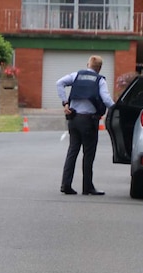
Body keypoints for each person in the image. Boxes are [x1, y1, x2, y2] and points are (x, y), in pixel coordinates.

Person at [56, 55, 116, 196]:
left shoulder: (76, 75)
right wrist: (116, 108)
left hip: (74, 118)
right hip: (89, 121)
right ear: (99, 68)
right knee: (88, 154)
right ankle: (87, 187)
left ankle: (66, 185)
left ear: (88, 65)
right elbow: (106, 99)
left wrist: (65, 102)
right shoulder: (100, 80)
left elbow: (59, 83)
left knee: (72, 151)